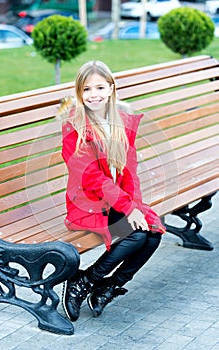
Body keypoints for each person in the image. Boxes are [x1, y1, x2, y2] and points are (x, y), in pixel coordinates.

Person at [59, 60, 166, 322]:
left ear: (111, 89)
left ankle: (107, 287)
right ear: (78, 93)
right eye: (86, 89)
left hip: (114, 202)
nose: (93, 95)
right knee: (137, 237)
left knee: (153, 233)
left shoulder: (123, 123)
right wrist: (128, 208)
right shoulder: (74, 129)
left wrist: (136, 208)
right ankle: (84, 281)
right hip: (87, 204)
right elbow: (92, 178)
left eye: (99, 88)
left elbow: (130, 172)